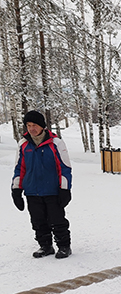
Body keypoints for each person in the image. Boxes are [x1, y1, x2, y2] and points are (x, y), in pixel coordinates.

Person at [11, 110, 73, 259]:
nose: (31, 128)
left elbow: (64, 167)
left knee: (57, 220)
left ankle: (64, 246)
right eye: (28, 125)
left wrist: (65, 189)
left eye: (34, 125)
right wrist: (16, 189)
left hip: (52, 191)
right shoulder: (23, 144)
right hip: (32, 191)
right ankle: (45, 246)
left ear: (42, 126)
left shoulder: (56, 143)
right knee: (37, 221)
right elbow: (19, 168)